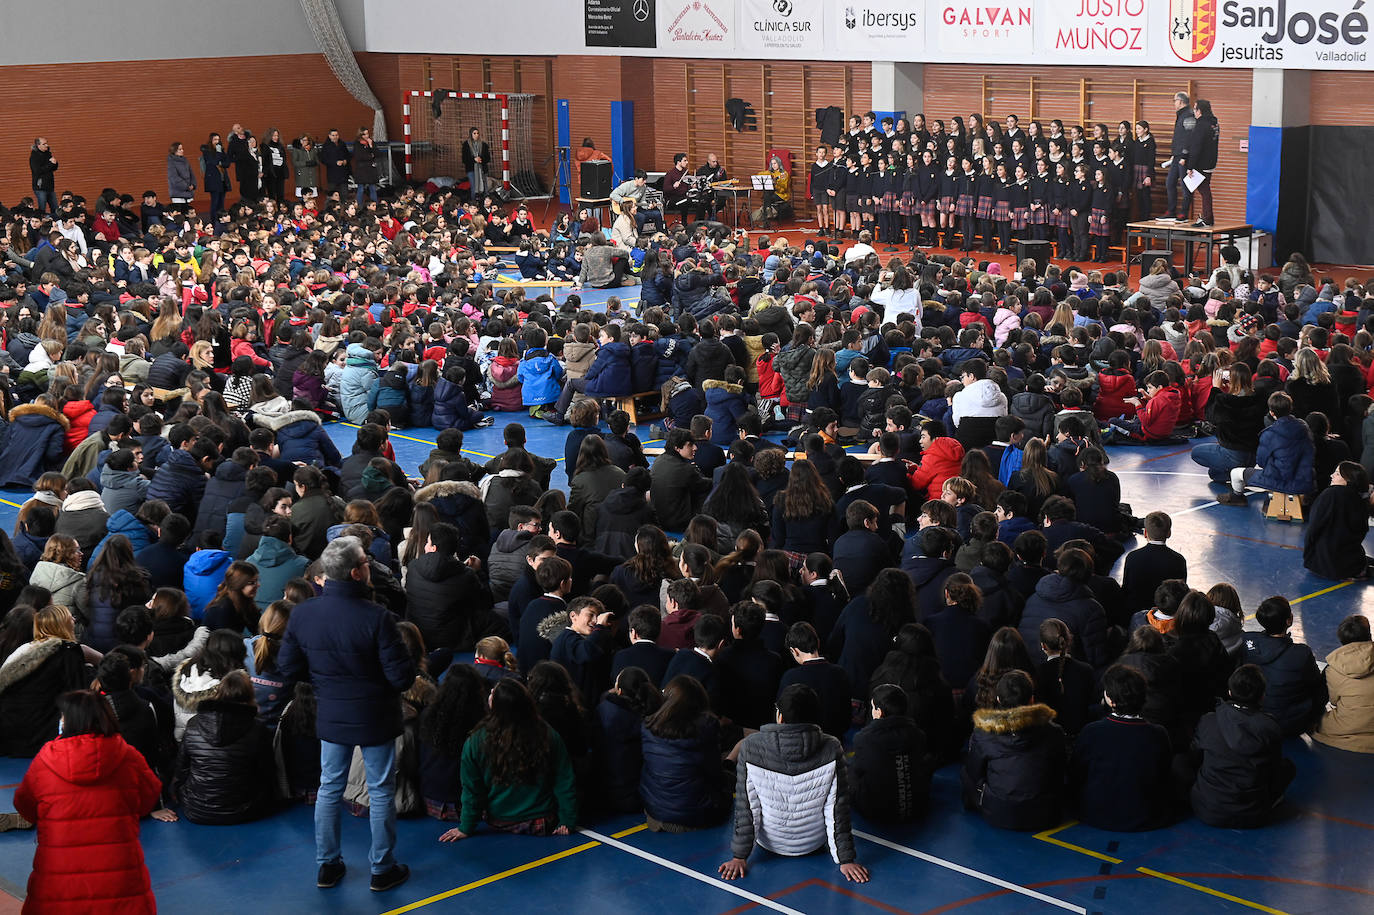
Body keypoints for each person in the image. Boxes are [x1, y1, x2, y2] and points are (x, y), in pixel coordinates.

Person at [277, 536, 416, 893]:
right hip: (376, 716)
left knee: (329, 788)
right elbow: (401, 677)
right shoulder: (378, 618)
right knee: (381, 790)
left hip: (331, 713)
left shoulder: (303, 614)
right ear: (356, 573)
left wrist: (325, 681)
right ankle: (381, 868)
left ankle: (327, 865)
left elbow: (288, 667)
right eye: (366, 563)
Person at [13, 689, 162, 912]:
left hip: (58, 874)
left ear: (70, 720)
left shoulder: (45, 760)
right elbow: (147, 799)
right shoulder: (129, 756)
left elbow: (25, 806)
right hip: (120, 873)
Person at [719, 683, 869, 884]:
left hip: (770, 844)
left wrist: (739, 856)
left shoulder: (751, 747)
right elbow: (837, 810)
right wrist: (846, 859)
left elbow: (747, 808)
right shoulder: (832, 747)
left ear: (779, 716)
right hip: (813, 844)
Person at [441, 678, 578, 840]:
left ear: (497, 707)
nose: (490, 693)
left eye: (493, 693)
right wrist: (567, 820)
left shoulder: (475, 741)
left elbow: (472, 789)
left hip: (498, 820)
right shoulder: (547, 734)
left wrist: (465, 827)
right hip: (540, 821)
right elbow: (564, 780)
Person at [1184, 664, 1295, 829]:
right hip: (1252, 814)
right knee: (1288, 767)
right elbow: (1272, 767)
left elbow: (1195, 755)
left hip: (1207, 809)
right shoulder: (1268, 727)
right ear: (1262, 696)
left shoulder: (1209, 721)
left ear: (1229, 692)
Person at [1069, 665, 1174, 831]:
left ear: (1110, 700)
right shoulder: (1158, 734)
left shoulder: (1092, 731)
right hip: (1146, 816)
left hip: (1097, 814)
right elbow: (1164, 774)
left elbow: (1077, 773)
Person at [961, 669, 1067, 831]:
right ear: (1032, 699)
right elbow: (1060, 770)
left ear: (998, 698)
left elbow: (974, 772)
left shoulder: (984, 733)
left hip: (999, 813)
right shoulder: (1054, 731)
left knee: (965, 772)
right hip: (1046, 813)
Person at [639, 675, 730, 832]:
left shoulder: (649, 725)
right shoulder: (706, 729)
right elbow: (715, 773)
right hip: (693, 814)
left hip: (654, 808)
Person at [0, 605, 88, 757]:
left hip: (9, 733)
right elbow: (79, 694)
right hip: (37, 736)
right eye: (70, 617)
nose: (74, 620)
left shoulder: (24, 649)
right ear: (62, 623)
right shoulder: (68, 651)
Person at [1244, 596, 1327, 737]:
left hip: (1255, 717)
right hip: (1291, 724)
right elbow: (1315, 683)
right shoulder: (1301, 653)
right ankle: (1314, 721)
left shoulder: (1247, 641)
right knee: (1325, 677)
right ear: (1289, 620)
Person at [848, 683, 932, 822]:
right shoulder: (918, 734)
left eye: (873, 707)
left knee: (848, 771)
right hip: (917, 805)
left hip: (877, 811)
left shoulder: (864, 738)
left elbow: (858, 771)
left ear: (879, 712)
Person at [1303, 461, 1373, 580]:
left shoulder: (1330, 494)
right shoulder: (1361, 499)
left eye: (1337, 474)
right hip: (1351, 563)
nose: (1332, 476)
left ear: (1348, 479)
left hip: (1324, 565)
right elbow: (1361, 532)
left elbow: (1313, 528)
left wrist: (1308, 554)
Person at [1314, 615, 1374, 753]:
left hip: (1348, 725)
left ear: (1342, 640)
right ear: (1369, 634)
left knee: (1321, 723)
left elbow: (1333, 701)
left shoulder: (1332, 668)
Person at [462, 127, 491, 201]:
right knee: (474, 187)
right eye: (474, 133)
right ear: (471, 134)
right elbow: (464, 159)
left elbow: (488, 158)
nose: (476, 135)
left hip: (482, 169)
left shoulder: (484, 145)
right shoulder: (466, 145)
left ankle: (485, 203)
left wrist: (481, 159)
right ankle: (473, 202)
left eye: (477, 133)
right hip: (471, 169)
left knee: (485, 187)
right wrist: (474, 159)